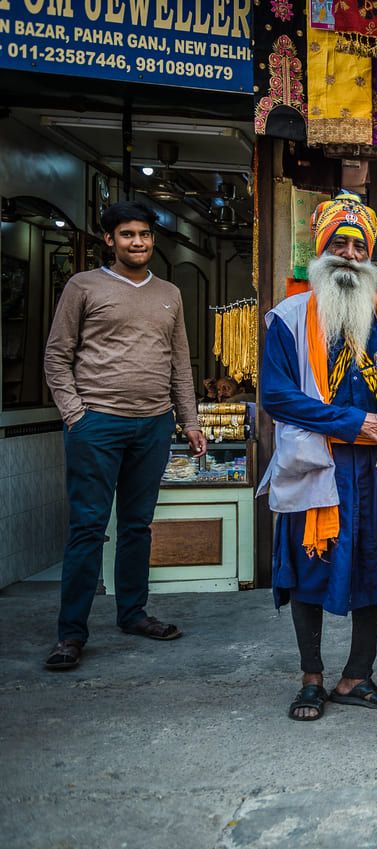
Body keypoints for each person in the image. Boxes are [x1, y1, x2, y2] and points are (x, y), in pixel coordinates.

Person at [259, 191, 377, 721]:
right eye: (340, 243)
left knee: (372, 567)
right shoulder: (287, 316)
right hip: (317, 461)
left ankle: (357, 676)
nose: (350, 254)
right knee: (310, 571)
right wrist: (355, 424)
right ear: (321, 248)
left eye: (359, 246)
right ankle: (311, 678)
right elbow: (277, 396)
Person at [42, 201, 205, 671]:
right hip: (97, 423)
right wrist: (76, 415)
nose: (138, 242)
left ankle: (133, 614)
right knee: (89, 529)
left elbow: (179, 364)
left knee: (137, 526)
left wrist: (189, 421)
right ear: (109, 240)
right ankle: (70, 635)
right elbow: (57, 355)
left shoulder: (169, 293)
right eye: (128, 234)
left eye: (145, 235)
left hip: (152, 424)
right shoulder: (84, 286)